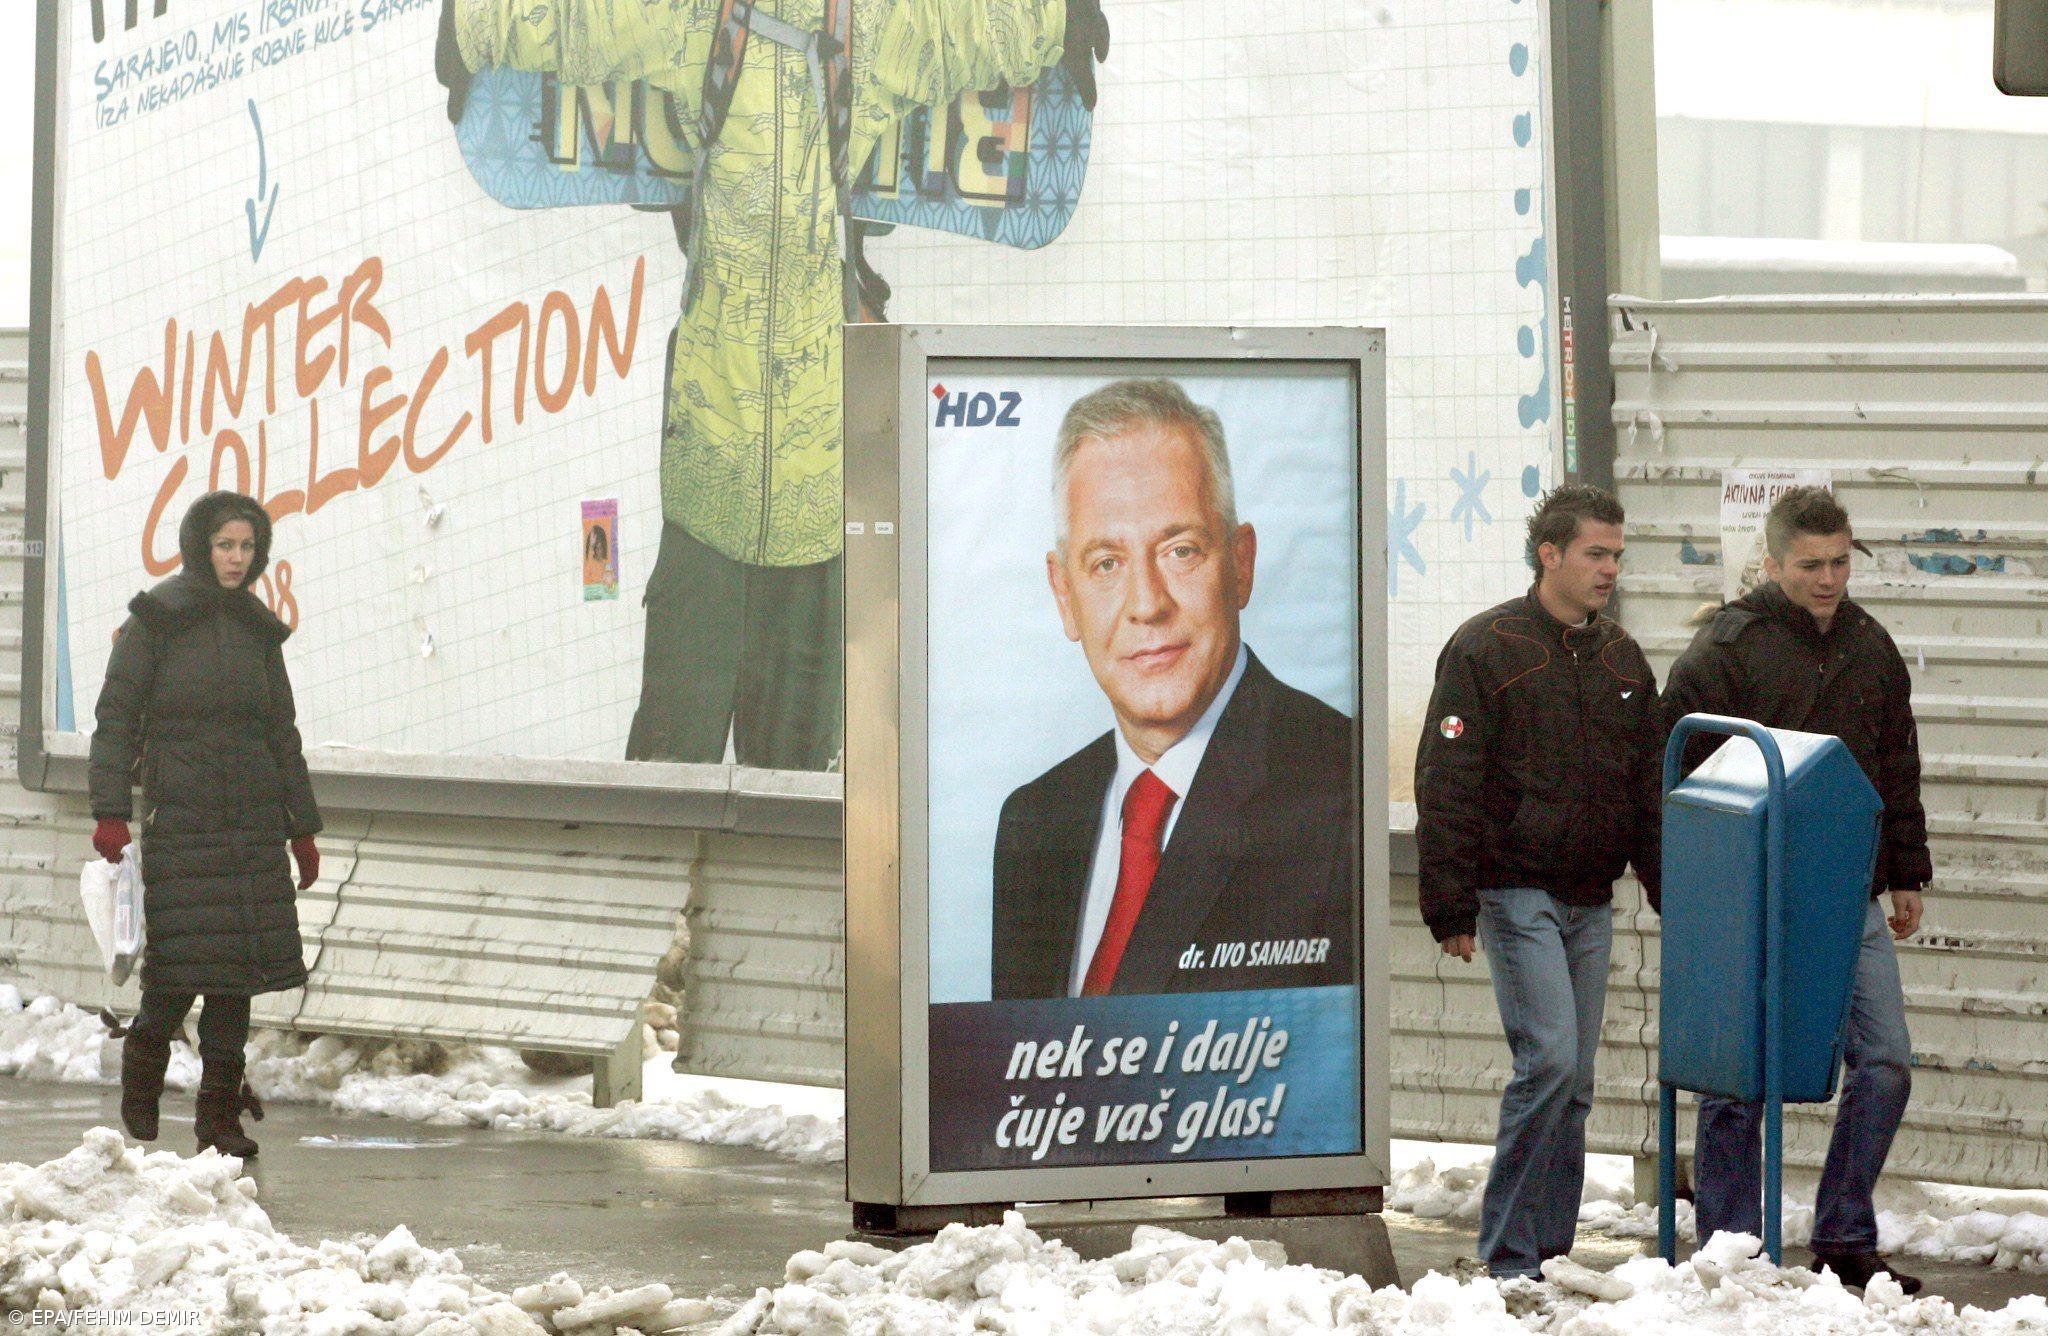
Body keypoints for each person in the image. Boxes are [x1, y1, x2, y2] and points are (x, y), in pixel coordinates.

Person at [440, 0, 1106, 771]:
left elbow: (966, 33)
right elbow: (579, 22)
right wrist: (473, 21)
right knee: (669, 772)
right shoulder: (699, 23)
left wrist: (1056, 17)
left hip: (814, 520)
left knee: (793, 790)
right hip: (708, 503)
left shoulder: (865, 34)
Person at [990, 380, 1356, 1001]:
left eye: (1180, 551)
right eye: (1107, 563)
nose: (1147, 604)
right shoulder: (1035, 823)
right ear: (1064, 595)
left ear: (1240, 563)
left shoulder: (1340, 786)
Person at [1662, 486, 1927, 1294]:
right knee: (1739, 1075)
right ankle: (1730, 1246)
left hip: (1847, 888)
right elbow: (1675, 769)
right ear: (1773, 563)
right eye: (1811, 564)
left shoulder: (1869, 645)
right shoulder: (1727, 647)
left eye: (1841, 562)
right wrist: (1687, 882)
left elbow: (1896, 761)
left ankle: (1843, 1233)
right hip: (1750, 892)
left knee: (1886, 1062)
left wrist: (1907, 871)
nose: (1828, 579)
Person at [1414, 484, 1663, 1280]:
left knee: (1575, 1083)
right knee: (1549, 1061)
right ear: (1549, 554)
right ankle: (1508, 1253)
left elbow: (1647, 791)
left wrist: (1668, 890)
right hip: (1515, 888)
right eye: (1595, 553)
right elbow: (1446, 780)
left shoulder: (1623, 658)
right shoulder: (1485, 648)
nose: (1609, 569)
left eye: (1617, 555)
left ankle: (1551, 1252)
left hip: (1591, 895)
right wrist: (1450, 904)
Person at [90, 491, 323, 1159]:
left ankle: (218, 1119)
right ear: (201, 547)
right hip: (183, 820)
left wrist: (301, 828)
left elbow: (282, 732)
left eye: (248, 546)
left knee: (237, 976)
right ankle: (144, 1057)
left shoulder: (257, 628)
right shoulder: (157, 619)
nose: (237, 558)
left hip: (252, 824)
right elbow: (115, 720)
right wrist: (110, 812)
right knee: (178, 968)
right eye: (226, 545)